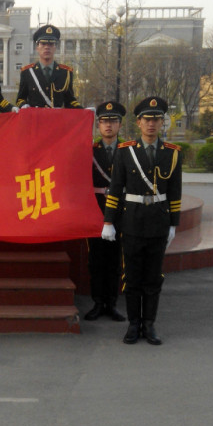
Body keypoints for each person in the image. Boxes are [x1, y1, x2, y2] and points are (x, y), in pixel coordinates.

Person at [102, 96, 182, 345]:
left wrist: (173, 224)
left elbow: (175, 191)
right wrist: (108, 221)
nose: (152, 124)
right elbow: (115, 189)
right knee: (132, 276)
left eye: (156, 119)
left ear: (162, 122)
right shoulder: (126, 152)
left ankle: (150, 324)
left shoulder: (172, 153)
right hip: (133, 222)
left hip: (158, 222)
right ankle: (133, 324)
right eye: (147, 119)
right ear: (138, 122)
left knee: (154, 277)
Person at [85, 101, 126, 322]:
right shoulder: (90, 151)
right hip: (96, 210)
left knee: (115, 259)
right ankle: (97, 302)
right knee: (96, 259)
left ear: (120, 125)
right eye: (104, 121)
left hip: (121, 211)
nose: (108, 126)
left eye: (113, 121)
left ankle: (111, 303)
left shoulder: (128, 151)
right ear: (98, 125)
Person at [16, 25, 82, 110]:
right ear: (37, 48)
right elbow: (20, 99)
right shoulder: (27, 72)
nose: (47, 47)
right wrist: (23, 105)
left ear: (55, 48)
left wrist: (83, 110)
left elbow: (70, 101)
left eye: (51, 44)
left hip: (56, 120)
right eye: (43, 44)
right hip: (35, 120)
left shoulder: (65, 73)